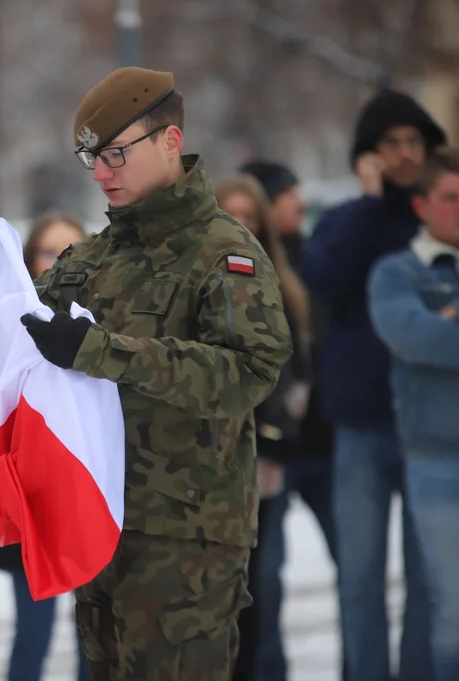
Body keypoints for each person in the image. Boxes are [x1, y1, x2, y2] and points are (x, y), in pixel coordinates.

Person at [19, 68, 293, 681]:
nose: (100, 171)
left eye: (116, 152)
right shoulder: (92, 257)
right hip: (99, 521)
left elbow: (249, 371)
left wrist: (101, 350)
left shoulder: (224, 252)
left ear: (171, 141)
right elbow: (2, 321)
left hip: (185, 538)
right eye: (92, 155)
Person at [299, 88, 447, 681]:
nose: (406, 154)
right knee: (359, 580)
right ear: (369, 152)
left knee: (428, 581)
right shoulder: (346, 219)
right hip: (360, 426)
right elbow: (324, 278)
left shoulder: (447, 216)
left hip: (433, 426)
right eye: (392, 143)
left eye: (415, 142)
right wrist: (368, 202)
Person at [368, 147, 459, 681]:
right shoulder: (395, 274)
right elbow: (418, 338)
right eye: (450, 198)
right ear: (422, 205)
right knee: (454, 612)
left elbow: (448, 331)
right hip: (440, 466)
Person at [237, 160, 342, 681]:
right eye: (290, 197)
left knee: (351, 569)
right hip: (261, 454)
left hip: (314, 440)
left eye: (250, 214)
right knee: (263, 579)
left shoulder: (299, 262)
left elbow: (305, 360)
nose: (298, 206)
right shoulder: (226, 271)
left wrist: (289, 420)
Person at [214, 174, 310, 681]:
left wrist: (279, 426)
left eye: (250, 216)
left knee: (262, 579)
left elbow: (295, 368)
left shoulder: (279, 283)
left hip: (265, 456)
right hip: (209, 459)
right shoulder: (204, 280)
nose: (241, 226)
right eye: (231, 214)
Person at [0, 211, 91, 681]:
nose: (59, 263)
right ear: (30, 259)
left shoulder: (107, 327)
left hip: (85, 491)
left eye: (71, 252)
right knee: (32, 630)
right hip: (27, 494)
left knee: (94, 631)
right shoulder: (6, 323)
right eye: (49, 252)